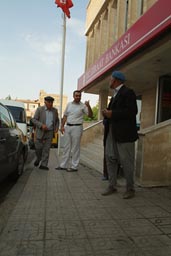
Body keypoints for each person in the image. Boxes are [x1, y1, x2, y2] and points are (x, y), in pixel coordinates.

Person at [101, 71, 138, 199]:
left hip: (125, 134)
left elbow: (132, 111)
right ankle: (112, 185)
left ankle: (130, 188)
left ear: (116, 80)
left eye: (110, 79)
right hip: (112, 131)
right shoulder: (115, 95)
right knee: (110, 158)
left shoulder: (128, 92)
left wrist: (113, 114)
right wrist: (106, 114)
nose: (109, 81)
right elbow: (113, 112)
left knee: (126, 161)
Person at [56, 90, 93, 172]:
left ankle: (74, 166)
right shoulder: (69, 104)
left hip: (77, 127)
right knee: (66, 147)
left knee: (75, 148)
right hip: (68, 127)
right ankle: (63, 165)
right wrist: (62, 126)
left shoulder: (83, 106)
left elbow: (90, 115)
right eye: (76, 95)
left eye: (79, 96)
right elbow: (65, 116)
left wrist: (89, 106)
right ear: (73, 96)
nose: (78, 97)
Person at [31, 96, 59, 170]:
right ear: (45, 102)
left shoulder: (55, 111)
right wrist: (41, 125)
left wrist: (56, 128)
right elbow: (33, 120)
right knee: (38, 148)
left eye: (52, 102)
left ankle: (44, 165)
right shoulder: (40, 109)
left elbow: (57, 120)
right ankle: (38, 158)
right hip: (40, 131)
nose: (50, 104)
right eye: (49, 102)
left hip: (50, 132)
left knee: (46, 149)